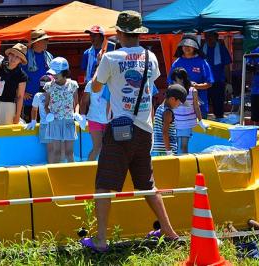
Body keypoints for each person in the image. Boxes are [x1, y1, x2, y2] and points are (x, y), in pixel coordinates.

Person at [80, 10, 179, 252]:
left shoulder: (110, 58)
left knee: (104, 184)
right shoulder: (151, 57)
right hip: (145, 131)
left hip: (120, 129)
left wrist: (101, 65)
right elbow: (152, 83)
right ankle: (169, 232)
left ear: (119, 33)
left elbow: (95, 87)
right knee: (147, 184)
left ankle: (101, 239)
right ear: (139, 33)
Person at [168, 34, 214, 119]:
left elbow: (209, 83)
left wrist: (196, 86)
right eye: (184, 45)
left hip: (200, 105)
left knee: (200, 130)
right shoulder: (177, 63)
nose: (187, 47)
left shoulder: (202, 62)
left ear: (195, 48)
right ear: (181, 47)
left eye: (190, 45)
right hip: (181, 106)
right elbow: (170, 83)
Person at [44, 57, 79, 163]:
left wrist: (76, 113)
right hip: (55, 122)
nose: (54, 76)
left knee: (69, 152)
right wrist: (48, 114)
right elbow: (46, 105)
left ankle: (72, 175)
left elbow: (76, 103)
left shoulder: (73, 85)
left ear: (64, 72)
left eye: (56, 73)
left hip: (69, 121)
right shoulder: (49, 86)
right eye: (52, 73)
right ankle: (55, 175)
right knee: (57, 151)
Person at [0, 43, 28, 125]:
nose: (14, 58)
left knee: (3, 133)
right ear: (8, 55)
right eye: (12, 54)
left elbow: (20, 97)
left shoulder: (22, 75)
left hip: (8, 106)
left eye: (17, 57)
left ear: (21, 60)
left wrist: (17, 115)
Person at [171, 67, 208, 154]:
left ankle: (184, 164)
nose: (174, 83)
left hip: (186, 123)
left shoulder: (193, 91)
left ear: (183, 80)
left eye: (176, 81)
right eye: (173, 81)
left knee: (183, 146)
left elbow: (196, 107)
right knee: (175, 146)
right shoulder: (172, 90)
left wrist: (201, 121)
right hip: (175, 122)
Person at [22, 29, 53, 122]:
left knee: (47, 126)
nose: (47, 42)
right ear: (37, 42)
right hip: (30, 100)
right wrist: (22, 93)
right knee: (31, 127)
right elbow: (18, 75)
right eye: (45, 40)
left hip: (48, 99)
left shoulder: (50, 56)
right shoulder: (25, 56)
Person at [24, 74, 55, 163]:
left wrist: (33, 121)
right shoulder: (38, 95)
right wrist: (33, 121)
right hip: (46, 125)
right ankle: (53, 167)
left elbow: (34, 109)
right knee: (52, 149)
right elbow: (34, 109)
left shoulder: (41, 95)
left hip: (54, 124)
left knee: (53, 149)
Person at [202, 31, 232, 120]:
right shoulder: (201, 50)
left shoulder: (222, 48)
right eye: (207, 37)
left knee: (219, 108)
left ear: (216, 37)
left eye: (211, 37)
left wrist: (229, 82)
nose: (209, 39)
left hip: (218, 82)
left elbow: (227, 66)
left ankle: (220, 126)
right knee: (202, 107)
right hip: (204, 84)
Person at [152, 84, 187, 156]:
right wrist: (169, 151)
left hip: (157, 148)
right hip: (165, 151)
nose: (179, 105)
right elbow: (165, 132)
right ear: (172, 99)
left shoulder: (160, 107)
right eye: (179, 103)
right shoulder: (168, 112)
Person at [79, 80, 109, 160]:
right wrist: (82, 116)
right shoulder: (91, 83)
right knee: (97, 148)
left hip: (110, 120)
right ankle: (87, 171)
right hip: (94, 119)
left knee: (108, 148)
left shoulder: (113, 81)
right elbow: (84, 101)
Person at [247, 46, 259, 126]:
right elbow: (247, 65)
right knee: (256, 115)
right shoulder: (256, 50)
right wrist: (255, 67)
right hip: (256, 89)